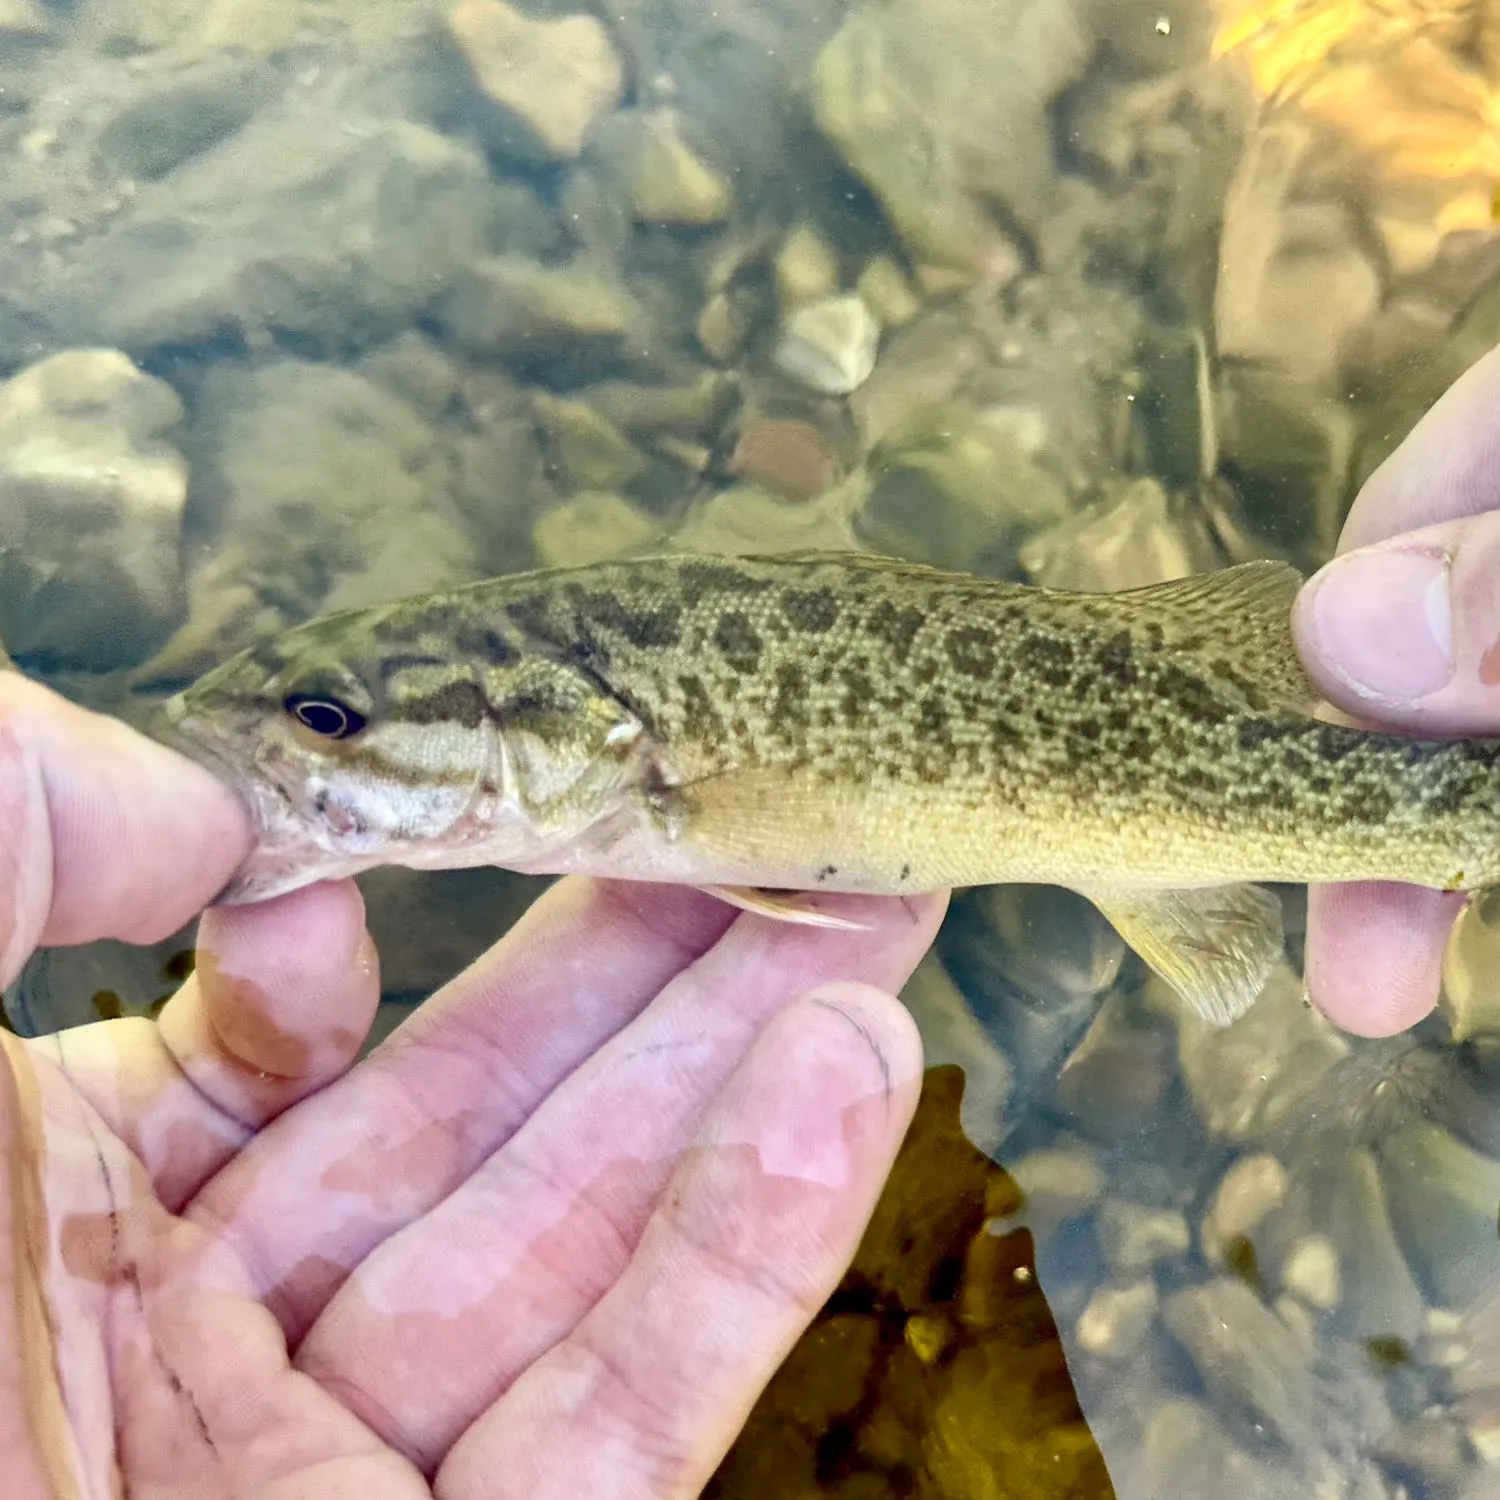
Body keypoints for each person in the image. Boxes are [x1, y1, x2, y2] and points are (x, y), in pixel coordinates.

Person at [0, 344, 1497, 1496]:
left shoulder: (649, 783)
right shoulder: (627, 773)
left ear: (561, 721)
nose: (295, 754)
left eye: (330, 721)